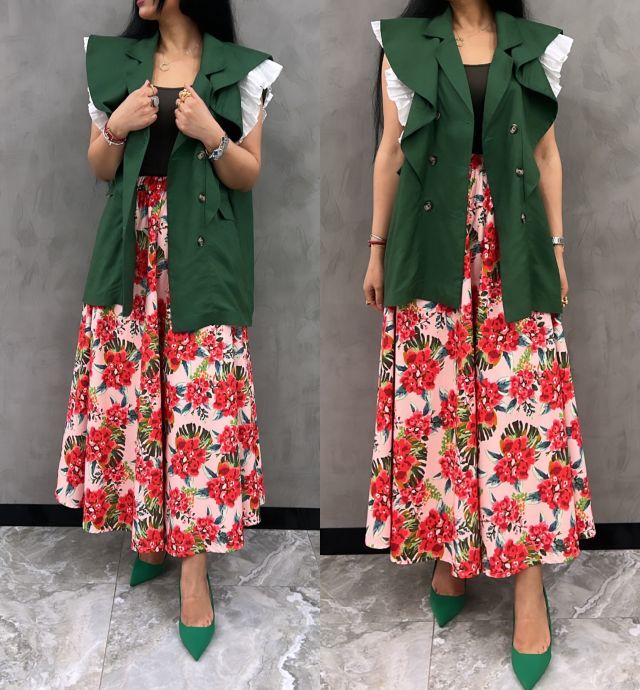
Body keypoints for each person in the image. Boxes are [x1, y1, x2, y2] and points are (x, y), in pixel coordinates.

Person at [362, 1, 595, 687]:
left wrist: (558, 250)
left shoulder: (534, 47)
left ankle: (529, 585)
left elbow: (546, 153)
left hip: (513, 245)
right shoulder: (405, 43)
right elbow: (390, 151)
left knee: (524, 409)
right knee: (439, 407)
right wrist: (375, 250)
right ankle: (449, 549)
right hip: (427, 244)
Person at [54, 0, 282, 661]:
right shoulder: (113, 62)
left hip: (204, 259)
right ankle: (150, 534)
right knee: (136, 400)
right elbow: (101, 167)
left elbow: (248, 175)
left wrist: (213, 134)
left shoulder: (241, 71)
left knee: (200, 411)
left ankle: (193, 572)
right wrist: (116, 127)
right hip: (130, 257)